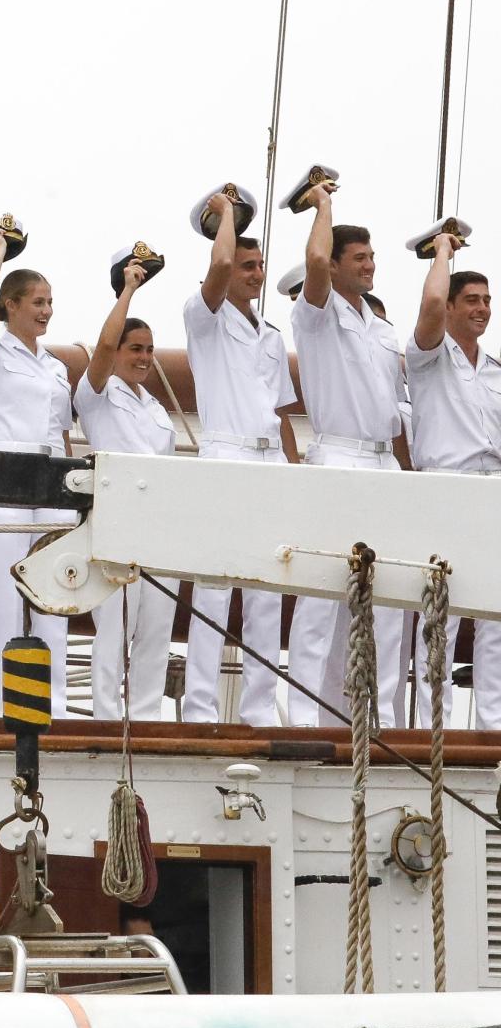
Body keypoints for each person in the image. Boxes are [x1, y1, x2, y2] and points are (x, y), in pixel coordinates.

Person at [288, 190, 410, 727]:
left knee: (383, 598)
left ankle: (370, 720)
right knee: (321, 596)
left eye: (372, 256)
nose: (370, 265)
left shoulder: (383, 329)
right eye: (358, 257)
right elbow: (314, 261)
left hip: (385, 464)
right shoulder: (317, 314)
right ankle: (302, 716)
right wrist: (321, 207)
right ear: (335, 265)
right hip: (338, 455)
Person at [182, 192, 299, 725]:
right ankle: (202, 704)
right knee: (213, 587)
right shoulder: (202, 317)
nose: (253, 274)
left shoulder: (270, 336)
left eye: (259, 267)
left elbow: (280, 415)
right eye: (246, 266)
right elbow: (221, 261)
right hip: (225, 453)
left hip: (269, 459)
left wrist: (293, 473)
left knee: (267, 590)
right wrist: (228, 211)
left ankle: (257, 708)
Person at [0, 230, 73, 717]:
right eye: (37, 301)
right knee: (6, 593)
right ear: (10, 305)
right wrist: (0, 253)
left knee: (55, 588)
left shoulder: (55, 367)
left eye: (50, 302)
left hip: (51, 474)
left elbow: (61, 429)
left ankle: (52, 702)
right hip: (6, 472)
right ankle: (2, 704)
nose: (46, 310)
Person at [74, 260, 178, 719]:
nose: (143, 357)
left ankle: (148, 716)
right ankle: (105, 717)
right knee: (116, 626)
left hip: (158, 523)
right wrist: (128, 291)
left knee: (157, 628)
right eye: (134, 348)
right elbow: (100, 344)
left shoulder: (155, 407)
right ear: (117, 352)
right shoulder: (96, 393)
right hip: (116, 520)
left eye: (150, 350)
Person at [406, 231, 501, 727]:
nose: (482, 308)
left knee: (495, 616)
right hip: (447, 486)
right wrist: (442, 251)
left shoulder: (495, 369)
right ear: (450, 308)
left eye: (487, 300)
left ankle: (493, 725)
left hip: (493, 492)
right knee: (441, 618)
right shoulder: (428, 357)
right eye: (472, 300)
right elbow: (430, 301)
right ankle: (432, 726)